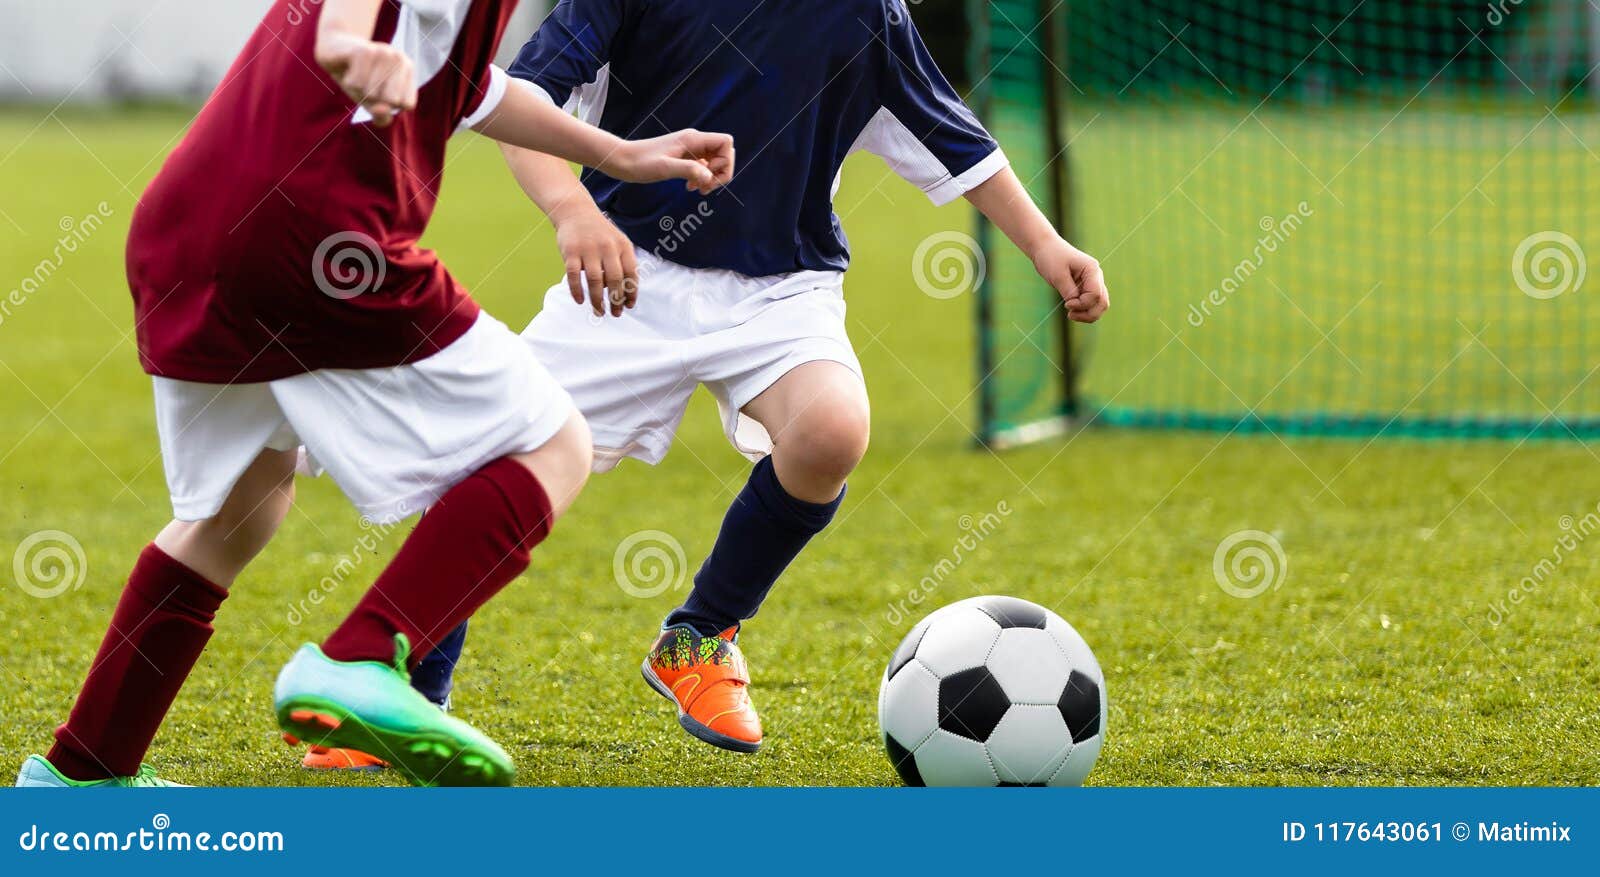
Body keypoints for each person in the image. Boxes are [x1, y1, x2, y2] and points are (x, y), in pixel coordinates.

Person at [316, 0, 1109, 763]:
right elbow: (519, 102)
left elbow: (957, 141)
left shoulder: (868, 11)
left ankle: (700, 636)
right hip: (625, 277)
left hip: (781, 291)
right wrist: (572, 211)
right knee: (487, 459)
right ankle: (408, 687)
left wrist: (1047, 248)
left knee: (831, 430)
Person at [14, 0, 733, 788]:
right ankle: (363, 656)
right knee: (555, 442)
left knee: (240, 507)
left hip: (193, 225)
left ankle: (82, 773)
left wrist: (619, 155)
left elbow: (469, 84)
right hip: (316, 236)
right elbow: (350, 28)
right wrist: (348, 44)